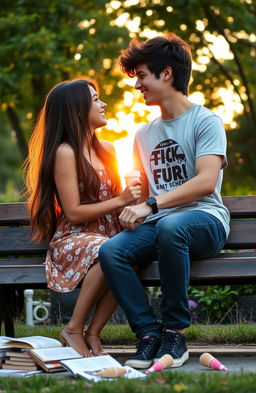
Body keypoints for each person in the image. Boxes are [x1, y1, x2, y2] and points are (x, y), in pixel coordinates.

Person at [99, 33, 230, 368]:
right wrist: (133, 194)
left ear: (166, 74)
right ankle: (148, 334)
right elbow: (143, 187)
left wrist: (152, 205)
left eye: (142, 75)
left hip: (205, 220)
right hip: (162, 225)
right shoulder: (143, 134)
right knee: (112, 251)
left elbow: (204, 181)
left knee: (172, 226)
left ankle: (174, 332)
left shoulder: (206, 120)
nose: (137, 84)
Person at [24, 77, 141, 357]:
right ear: (77, 110)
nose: (103, 104)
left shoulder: (108, 149)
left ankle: (92, 332)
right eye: (95, 99)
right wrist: (121, 199)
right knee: (111, 251)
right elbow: (74, 212)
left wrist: (132, 204)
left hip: (107, 233)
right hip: (74, 237)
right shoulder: (65, 153)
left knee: (131, 256)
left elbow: (114, 200)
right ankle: (73, 329)